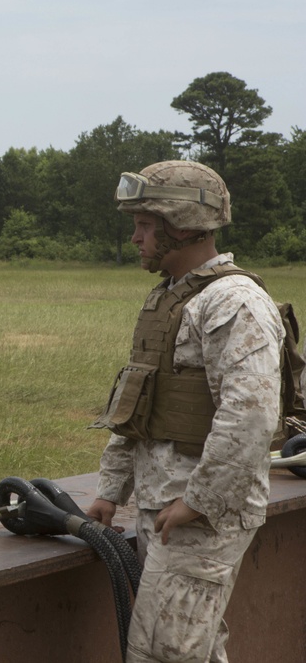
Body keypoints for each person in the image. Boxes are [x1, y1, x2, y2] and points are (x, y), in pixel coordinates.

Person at [87, 161, 285, 663]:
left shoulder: (233, 302)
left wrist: (198, 501)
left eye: (146, 225)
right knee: (183, 650)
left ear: (182, 224)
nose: (135, 237)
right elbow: (136, 404)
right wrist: (111, 491)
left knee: (165, 653)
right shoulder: (173, 298)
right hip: (168, 507)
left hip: (201, 517)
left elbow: (252, 415)